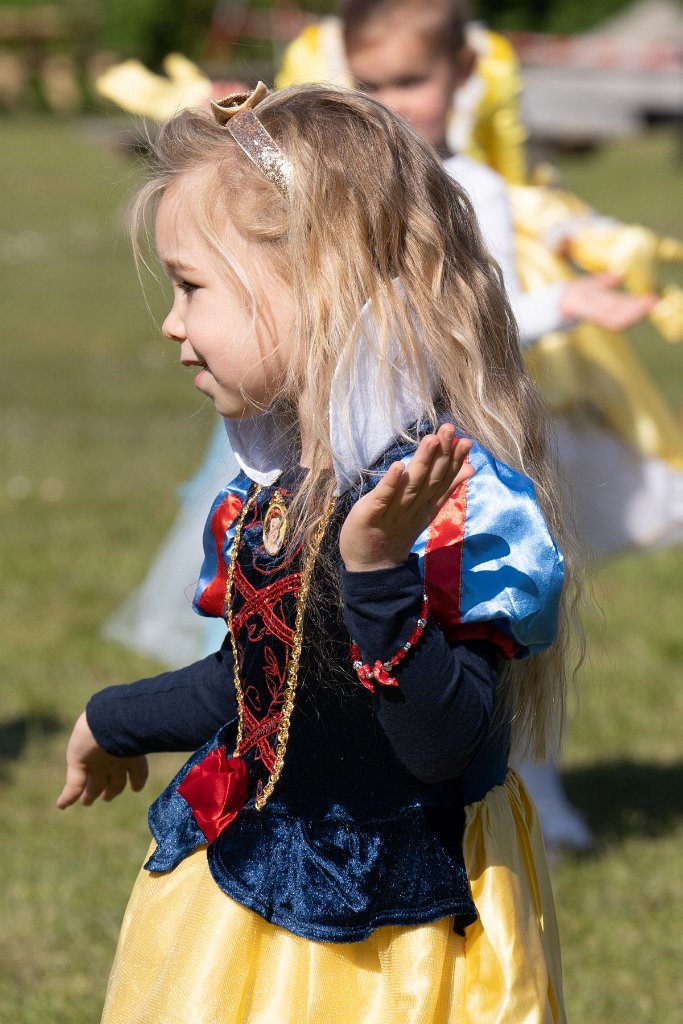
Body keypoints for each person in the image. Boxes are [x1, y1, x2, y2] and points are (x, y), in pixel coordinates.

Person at [58, 82, 576, 1023]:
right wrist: (114, 717)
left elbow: (440, 744)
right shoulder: (283, 486)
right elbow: (265, 682)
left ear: (319, 283)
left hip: (398, 934)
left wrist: (376, 570)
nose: (172, 324)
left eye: (191, 287)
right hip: (256, 892)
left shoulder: (438, 503)